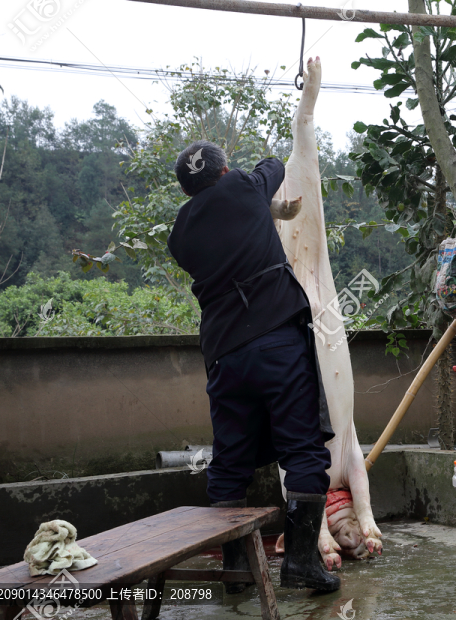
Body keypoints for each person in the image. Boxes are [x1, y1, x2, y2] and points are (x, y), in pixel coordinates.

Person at [166, 140, 339, 593]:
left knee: (230, 458)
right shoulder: (244, 186)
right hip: (275, 341)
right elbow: (274, 166)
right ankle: (302, 564)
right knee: (302, 448)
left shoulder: (179, 235)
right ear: (224, 171)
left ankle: (237, 571)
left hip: (223, 355)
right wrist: (258, 192)